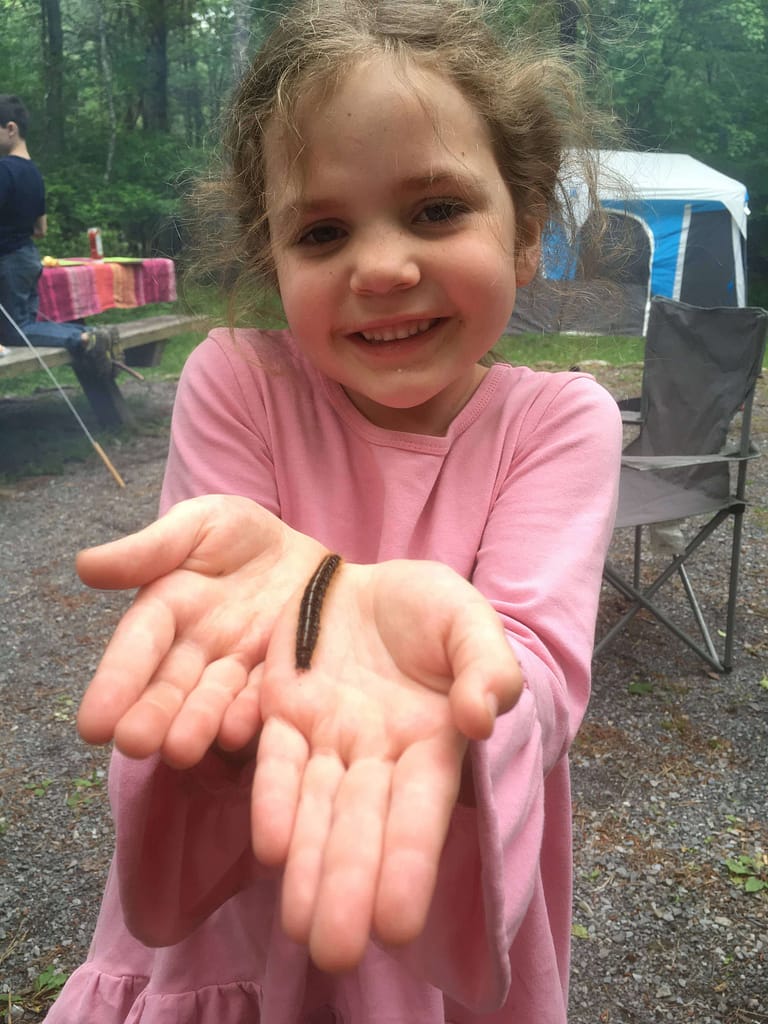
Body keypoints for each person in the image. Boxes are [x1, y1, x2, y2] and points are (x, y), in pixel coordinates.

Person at [45, 2, 622, 1021]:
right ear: (273, 259)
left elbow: (534, 676)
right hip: (241, 910)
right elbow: (209, 657)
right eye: (322, 232)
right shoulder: (238, 378)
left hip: (433, 890)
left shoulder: (561, 421)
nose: (382, 267)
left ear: (528, 228)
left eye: (436, 210)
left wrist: (449, 666)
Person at [0, 94, 118, 371]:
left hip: (9, 261)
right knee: (28, 324)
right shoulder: (34, 173)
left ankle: (85, 337)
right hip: (28, 258)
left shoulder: (4, 170)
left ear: (11, 129)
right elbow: (41, 229)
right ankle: (90, 334)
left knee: (16, 332)